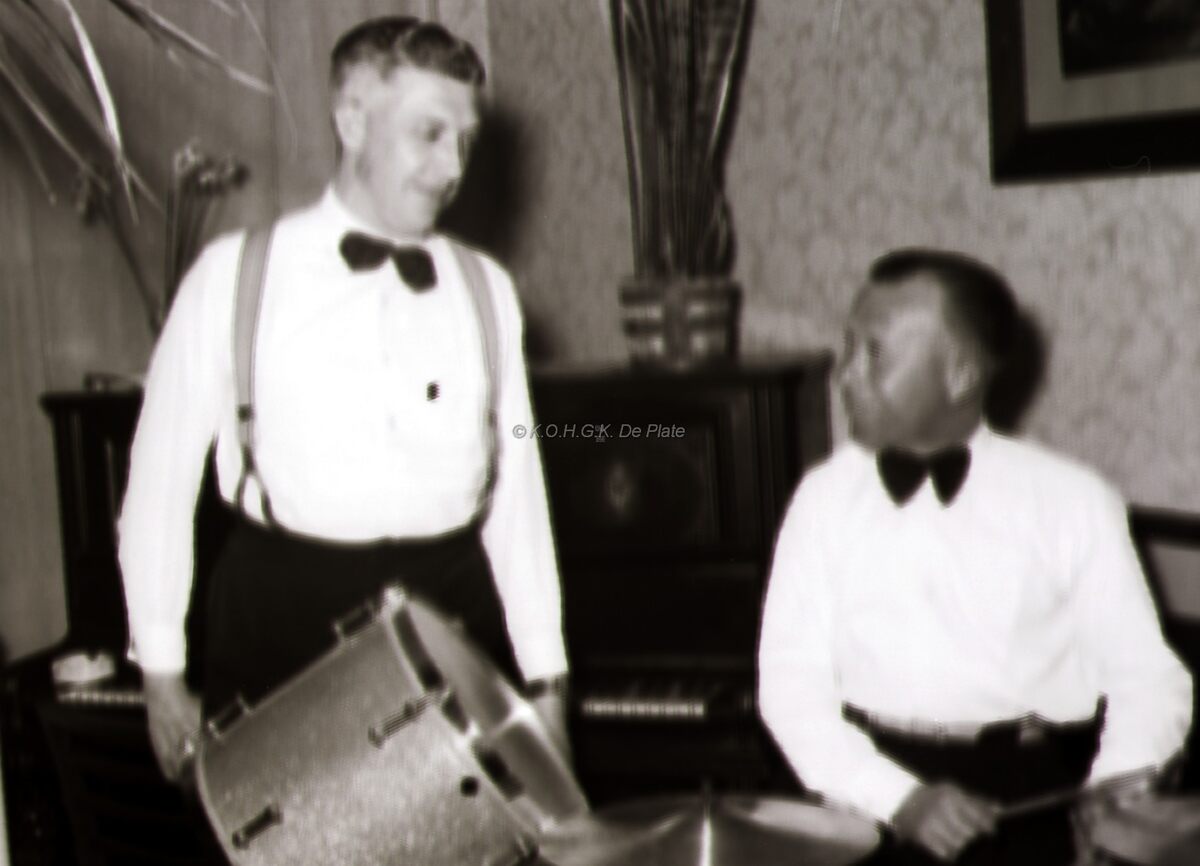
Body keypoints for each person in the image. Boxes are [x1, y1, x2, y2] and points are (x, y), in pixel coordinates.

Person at [118, 16, 569, 782]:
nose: (451, 166)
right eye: (429, 133)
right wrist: (161, 672)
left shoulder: (487, 289)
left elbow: (518, 498)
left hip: (452, 625)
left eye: (464, 140)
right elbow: (158, 489)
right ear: (353, 120)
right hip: (281, 631)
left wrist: (546, 682)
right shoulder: (232, 276)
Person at [757, 248, 1192, 865]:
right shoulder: (822, 498)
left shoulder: (1073, 500)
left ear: (960, 376)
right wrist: (900, 799)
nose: (845, 373)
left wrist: (1111, 788)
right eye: (847, 346)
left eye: (874, 353)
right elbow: (789, 686)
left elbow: (1148, 678)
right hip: (863, 792)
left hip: (1025, 798)